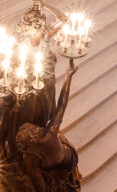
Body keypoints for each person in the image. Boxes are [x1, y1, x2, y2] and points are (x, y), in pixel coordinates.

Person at [14, 59, 82, 192]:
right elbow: (61, 105)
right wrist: (68, 75)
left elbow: (40, 186)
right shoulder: (48, 134)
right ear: (34, 138)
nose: (38, 127)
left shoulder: (30, 155)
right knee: (58, 137)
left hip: (67, 161)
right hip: (60, 161)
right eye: (36, 129)